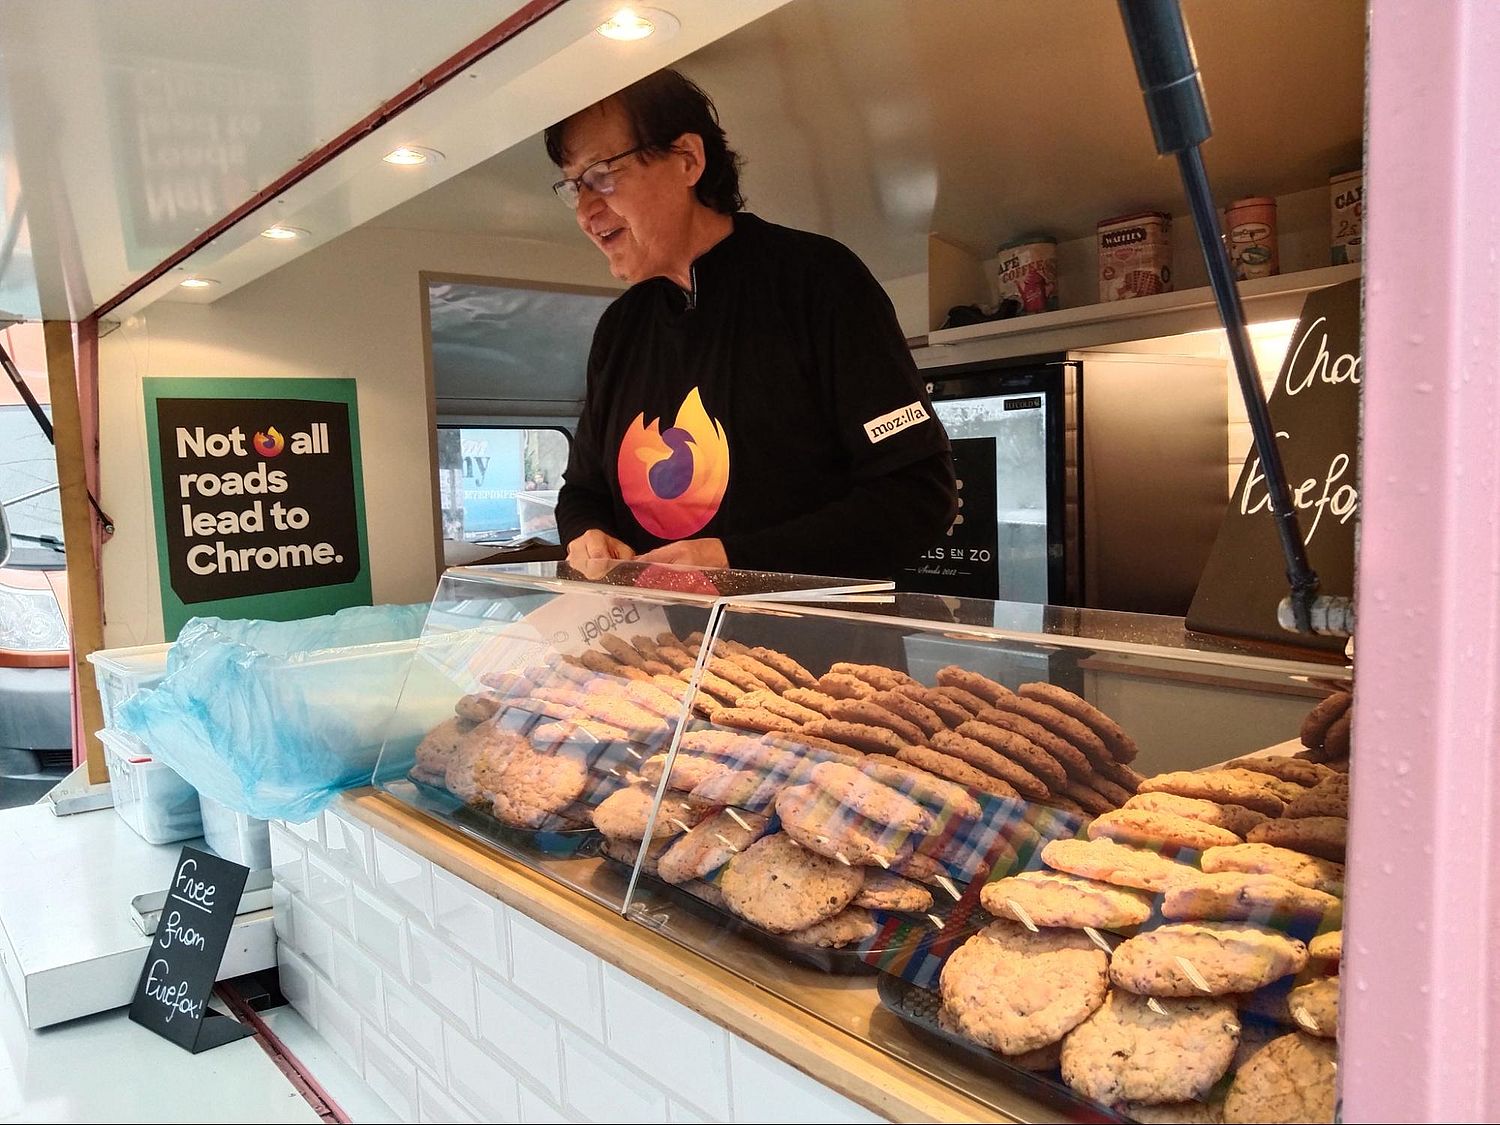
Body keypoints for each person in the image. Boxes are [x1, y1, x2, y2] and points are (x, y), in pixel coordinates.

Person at [547, 69, 956, 578]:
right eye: (572, 186)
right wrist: (587, 534)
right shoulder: (620, 329)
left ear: (687, 159)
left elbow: (917, 498)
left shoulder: (818, 279)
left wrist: (733, 561)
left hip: (815, 650)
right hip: (659, 649)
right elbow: (583, 491)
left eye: (601, 174)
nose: (585, 210)